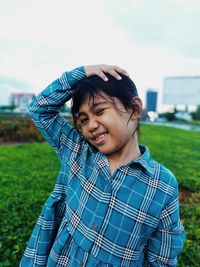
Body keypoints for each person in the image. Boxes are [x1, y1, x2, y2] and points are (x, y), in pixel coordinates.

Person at [20, 64, 185, 266]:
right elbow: (40, 109)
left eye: (99, 111)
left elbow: (162, 259)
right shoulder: (77, 151)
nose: (91, 125)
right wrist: (81, 74)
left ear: (134, 109)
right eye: (83, 120)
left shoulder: (163, 185)